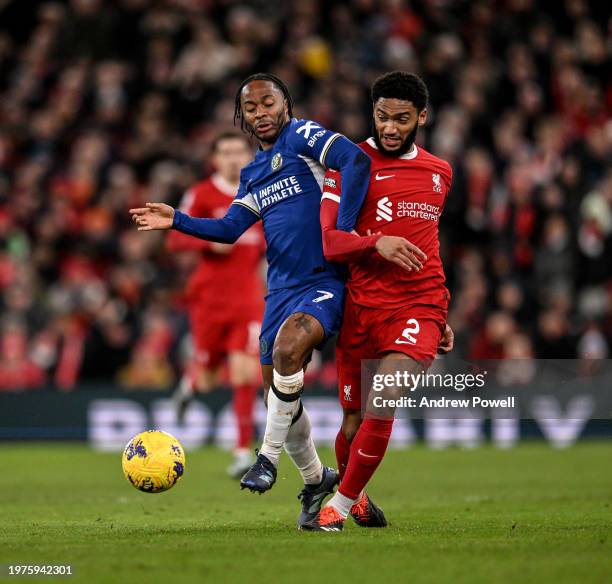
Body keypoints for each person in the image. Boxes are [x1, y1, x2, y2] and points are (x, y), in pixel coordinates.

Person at [130, 73, 371, 528]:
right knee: (279, 396)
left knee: (287, 353)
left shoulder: (303, 136)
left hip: (323, 280)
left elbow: (354, 159)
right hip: (278, 290)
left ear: (286, 104)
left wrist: (346, 230)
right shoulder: (254, 173)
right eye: (252, 107)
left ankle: (266, 457)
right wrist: (177, 219)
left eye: (268, 103)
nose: (261, 113)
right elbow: (228, 229)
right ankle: (317, 479)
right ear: (242, 115)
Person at [302, 71, 454, 531]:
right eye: (382, 116)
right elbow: (330, 242)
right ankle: (360, 495)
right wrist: (376, 243)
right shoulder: (349, 164)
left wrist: (438, 314)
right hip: (363, 309)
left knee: (384, 396)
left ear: (421, 117)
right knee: (352, 421)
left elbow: (429, 242)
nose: (390, 127)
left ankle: (339, 507)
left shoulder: (439, 171)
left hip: (419, 304)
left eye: (402, 119)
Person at [166, 131, 265, 479]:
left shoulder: (262, 190)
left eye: (240, 151)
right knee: (208, 378)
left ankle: (241, 452)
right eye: (226, 152)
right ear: (214, 160)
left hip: (249, 298)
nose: (234, 158)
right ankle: (190, 385)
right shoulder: (202, 194)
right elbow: (174, 238)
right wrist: (208, 244)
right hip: (209, 299)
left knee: (245, 372)